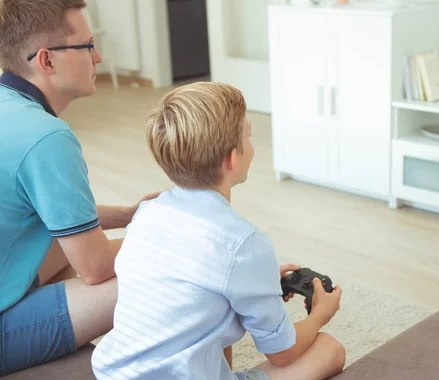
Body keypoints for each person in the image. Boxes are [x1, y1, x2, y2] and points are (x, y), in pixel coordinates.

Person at [91, 82, 346, 380]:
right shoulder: (245, 243)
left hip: (115, 374)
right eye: (248, 135)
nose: (252, 143)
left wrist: (259, 278)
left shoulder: (147, 213)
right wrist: (319, 316)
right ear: (232, 158)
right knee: (329, 349)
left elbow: (194, 277)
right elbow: (282, 353)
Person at [0, 0, 158, 376]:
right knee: (170, 264)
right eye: (87, 46)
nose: (98, 57)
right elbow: (97, 268)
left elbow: (45, 210)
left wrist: (126, 214)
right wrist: (174, 234)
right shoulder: (46, 136)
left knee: (59, 234)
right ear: (47, 60)